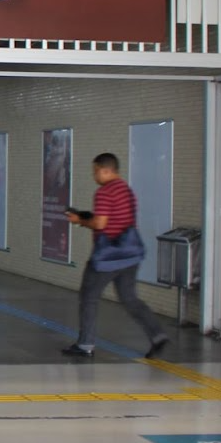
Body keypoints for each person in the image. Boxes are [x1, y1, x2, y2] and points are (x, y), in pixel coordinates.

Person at [60, 152, 169, 359]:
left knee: (89, 297)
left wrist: (80, 221)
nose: (94, 176)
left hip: (107, 257)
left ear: (106, 170)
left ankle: (85, 345)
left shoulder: (104, 192)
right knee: (130, 298)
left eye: (95, 171)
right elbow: (115, 219)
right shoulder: (127, 191)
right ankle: (157, 334)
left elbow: (101, 224)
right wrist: (86, 215)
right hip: (130, 255)